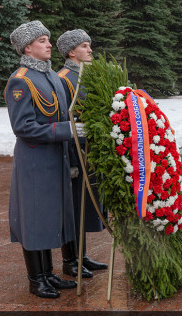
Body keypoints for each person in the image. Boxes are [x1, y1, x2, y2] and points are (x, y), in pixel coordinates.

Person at [6, 20, 80, 298]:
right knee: (35, 218)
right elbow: (23, 127)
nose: (49, 45)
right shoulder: (21, 80)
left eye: (48, 40)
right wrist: (66, 131)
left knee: (50, 216)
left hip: (55, 158)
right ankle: (36, 279)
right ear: (28, 47)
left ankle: (49, 274)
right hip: (35, 161)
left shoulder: (49, 76)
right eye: (42, 41)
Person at [56, 30, 108, 278]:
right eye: (84, 46)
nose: (89, 50)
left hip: (91, 150)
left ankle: (82, 256)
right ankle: (70, 261)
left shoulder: (86, 73)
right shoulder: (64, 78)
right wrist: (68, 161)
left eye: (89, 45)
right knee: (74, 206)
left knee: (85, 205)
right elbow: (63, 118)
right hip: (76, 150)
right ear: (70, 52)